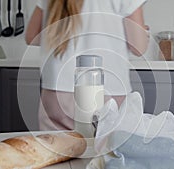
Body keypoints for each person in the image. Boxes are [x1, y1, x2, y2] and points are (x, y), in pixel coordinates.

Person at [26, 0, 150, 131]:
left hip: (56, 94)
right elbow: (138, 47)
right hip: (108, 92)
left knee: (56, 148)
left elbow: (31, 36)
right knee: (105, 149)